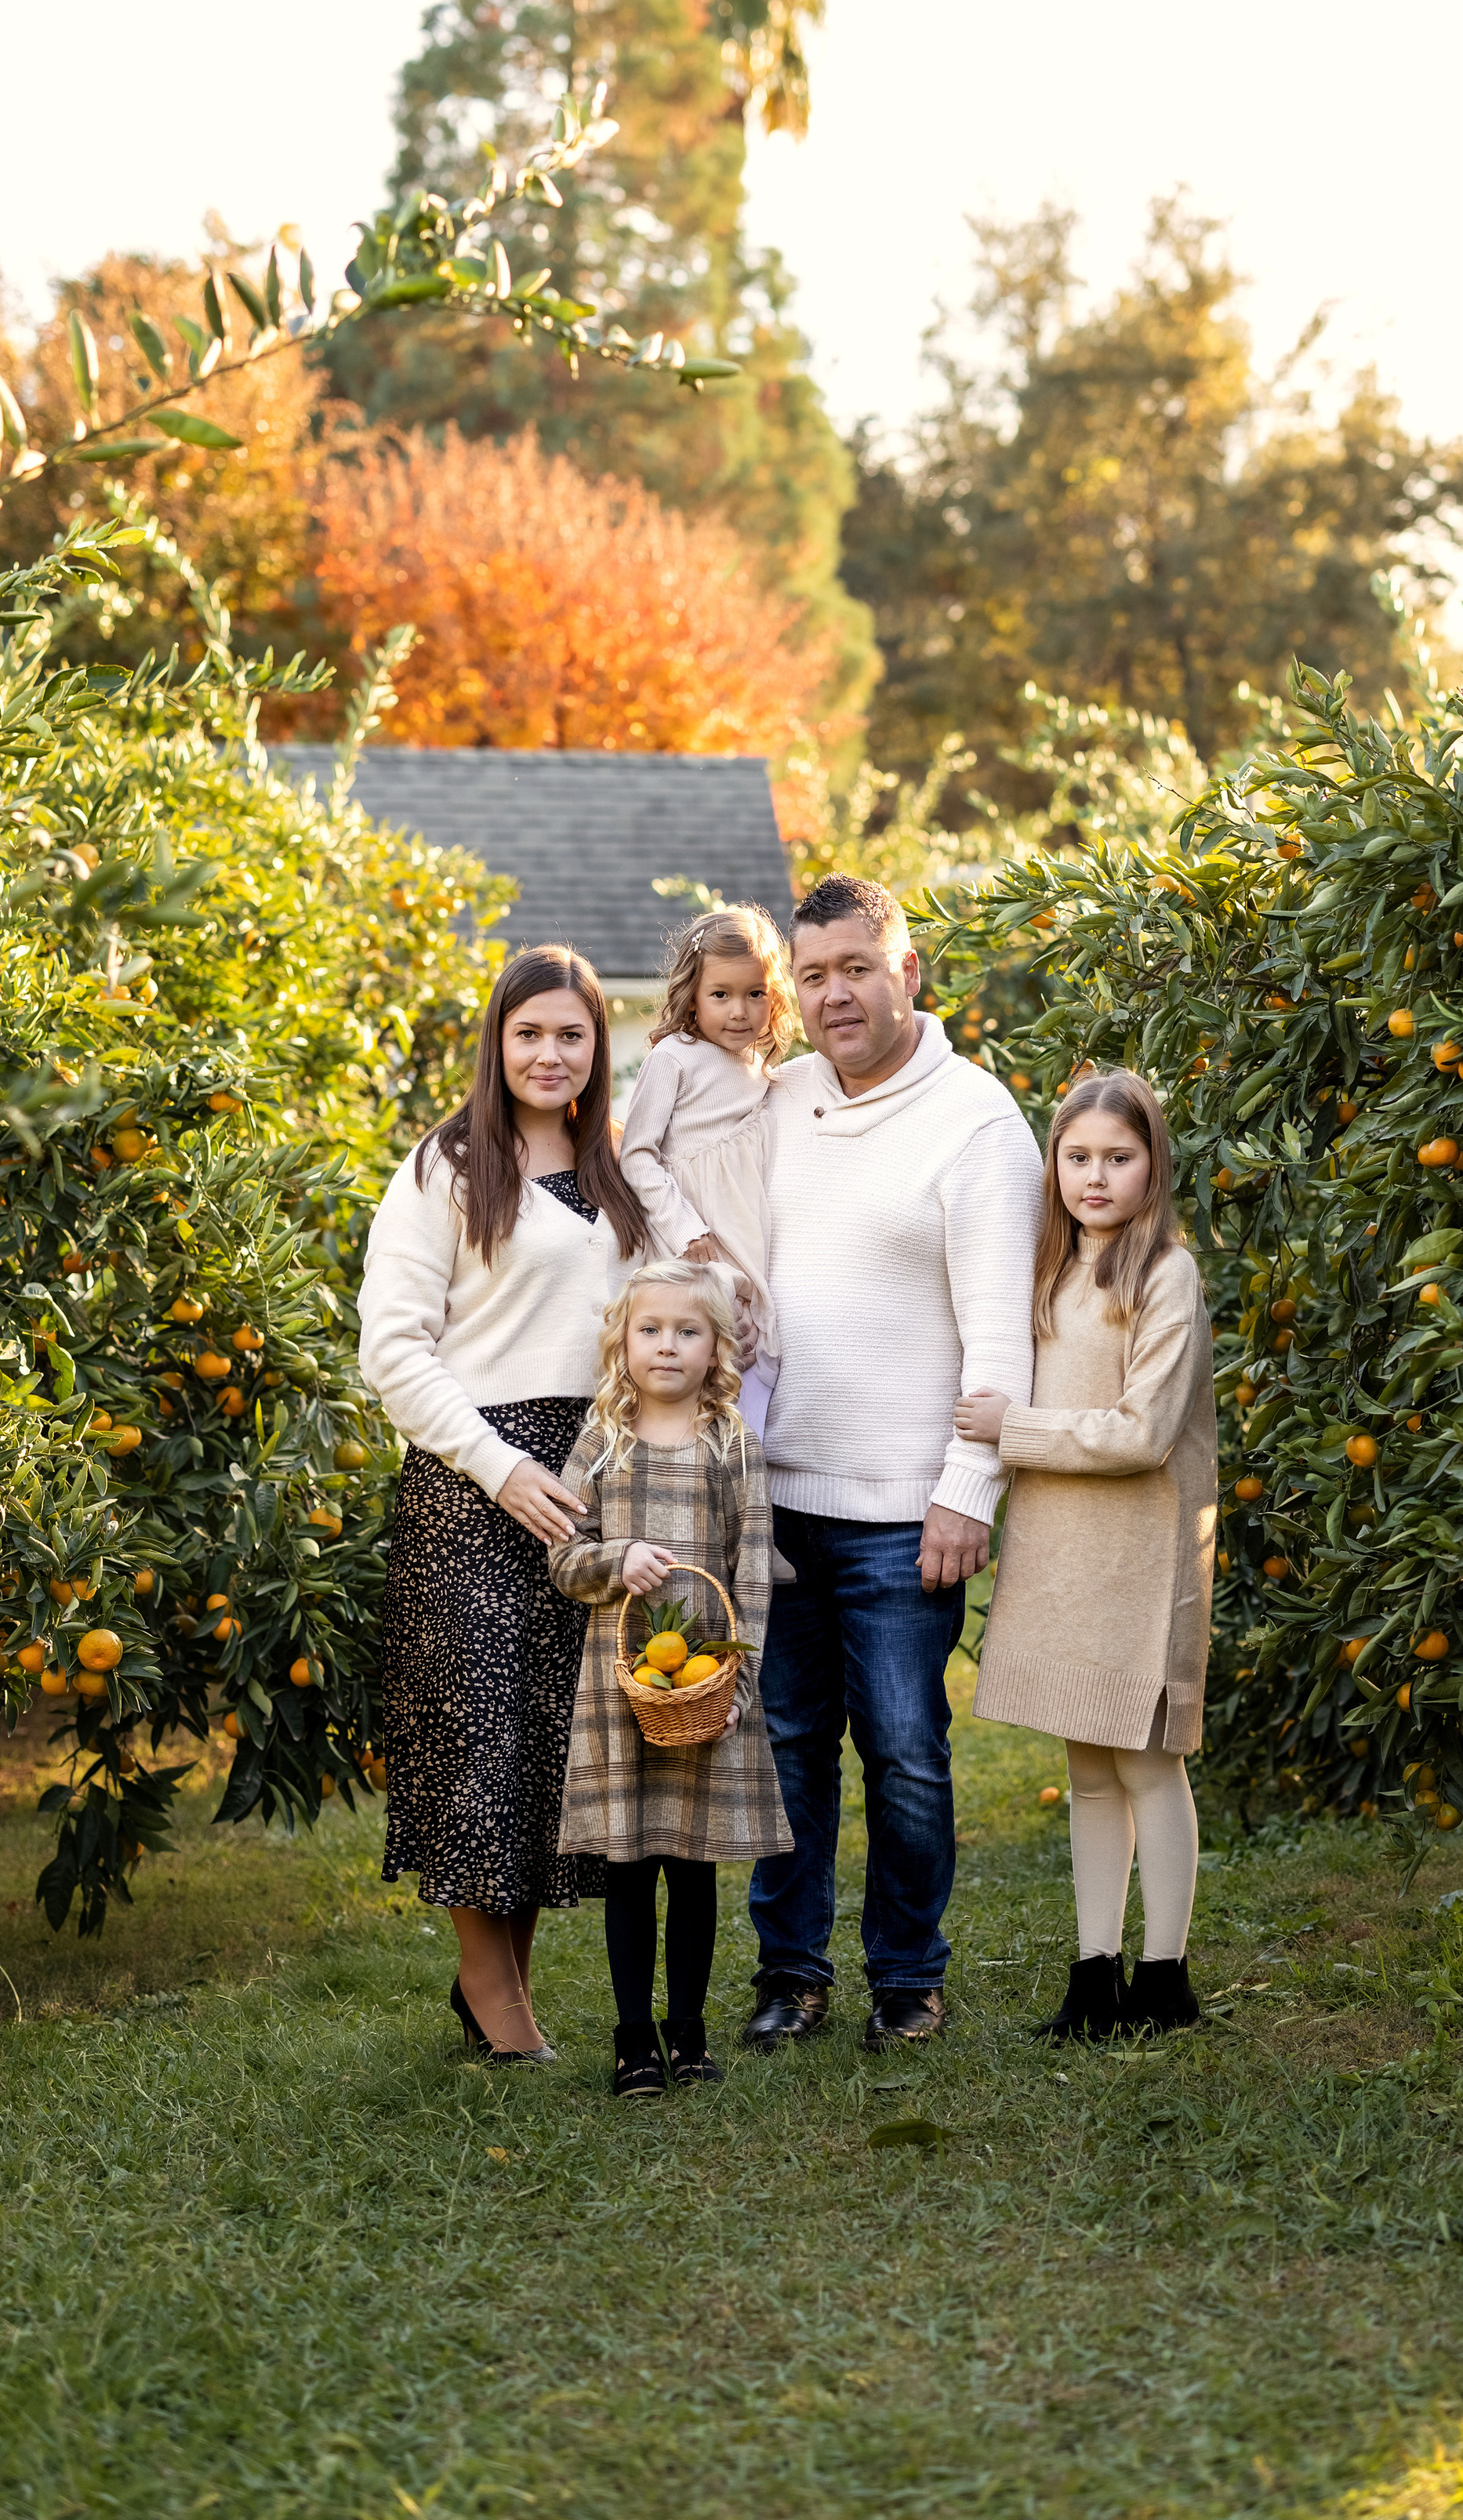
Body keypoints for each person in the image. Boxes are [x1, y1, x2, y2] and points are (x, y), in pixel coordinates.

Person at [746, 872, 1043, 2051]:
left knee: (907, 1755)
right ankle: (791, 1973)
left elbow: (1002, 1335)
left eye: (857, 969)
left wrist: (968, 1492)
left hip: (904, 1512)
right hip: (774, 1499)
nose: (835, 995)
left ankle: (907, 1979)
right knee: (786, 1751)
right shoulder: (774, 1103)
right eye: (813, 975)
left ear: (907, 972)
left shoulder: (977, 1123)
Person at [357, 944, 647, 2062]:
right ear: (498, 1041)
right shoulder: (445, 1166)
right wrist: (498, 1465)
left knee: (545, 1751)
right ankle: (495, 1998)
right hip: (473, 1483)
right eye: (529, 1033)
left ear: (596, 1047)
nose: (549, 1053)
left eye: (571, 1034)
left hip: (584, 1483)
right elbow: (393, 1348)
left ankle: (498, 1989)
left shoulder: (616, 1172)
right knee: (479, 1742)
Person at [960, 1070, 1217, 2042]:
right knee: (1090, 1771)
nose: (1095, 1177)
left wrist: (1013, 1431)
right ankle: (1093, 1973)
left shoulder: (1164, 1275)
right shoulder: (1048, 1270)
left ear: (1154, 1165)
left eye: (1118, 1157)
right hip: (1061, 1549)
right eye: (1077, 1158)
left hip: (1140, 1553)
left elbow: (1143, 1432)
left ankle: (1164, 1977)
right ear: (1053, 1166)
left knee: (1147, 1764)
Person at [548, 1258, 790, 2097]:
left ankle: (687, 2033)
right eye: (649, 1329)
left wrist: (738, 1689)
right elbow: (564, 1558)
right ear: (622, 1340)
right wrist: (617, 1559)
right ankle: (632, 2041)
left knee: (692, 1864)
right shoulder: (601, 1441)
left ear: (716, 1346)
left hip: (705, 1686)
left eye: (687, 1331)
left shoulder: (733, 1445)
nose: (666, 1345)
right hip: (621, 1686)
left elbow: (751, 1574)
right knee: (628, 1867)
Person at [618, 905, 795, 1437]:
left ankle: (740, 1469)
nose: (739, 1011)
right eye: (721, 994)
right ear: (692, 995)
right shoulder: (675, 1056)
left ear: (775, 996)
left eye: (755, 993)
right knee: (685, 1370)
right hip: (692, 1241)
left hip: (743, 1236)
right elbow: (637, 1154)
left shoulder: (763, 1072)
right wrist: (687, 1230)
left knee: (747, 1364)